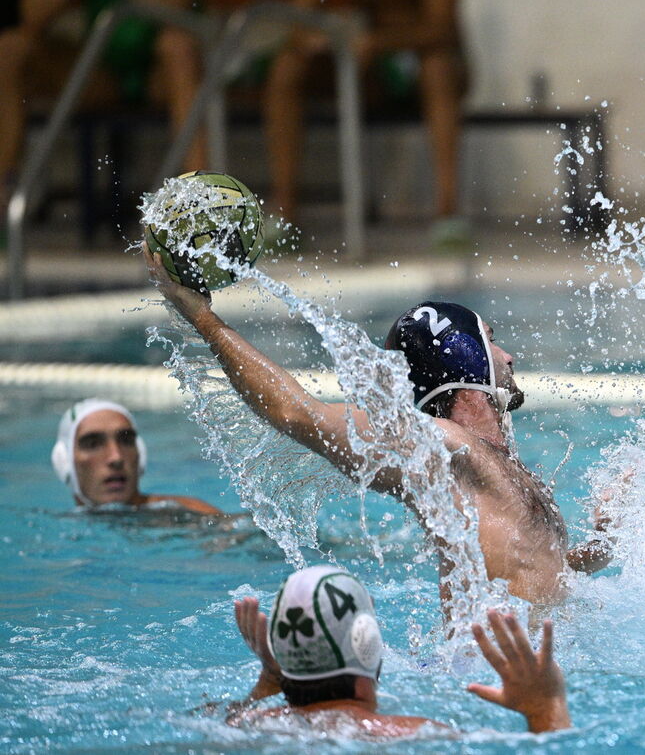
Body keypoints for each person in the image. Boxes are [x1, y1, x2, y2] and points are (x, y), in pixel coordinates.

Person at [145, 247, 572, 604]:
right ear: (465, 354)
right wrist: (201, 317)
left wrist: (607, 540)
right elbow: (297, 412)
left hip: (529, 672)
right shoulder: (442, 447)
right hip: (483, 679)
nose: (508, 355)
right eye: (492, 339)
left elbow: (539, 568)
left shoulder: (503, 465)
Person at [227, 565, 571, 736]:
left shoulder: (247, 723)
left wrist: (269, 684)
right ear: (368, 644)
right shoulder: (415, 736)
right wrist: (544, 710)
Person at [263, 0, 468, 246]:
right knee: (287, 67)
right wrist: (318, 38)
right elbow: (298, 21)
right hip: (357, 63)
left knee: (438, 67)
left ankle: (448, 212)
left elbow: (444, 30)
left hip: (411, 60)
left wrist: (377, 41)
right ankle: (285, 214)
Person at [0, 0, 207, 207]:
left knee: (177, 45)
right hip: (102, 69)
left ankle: (200, 199)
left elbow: (175, 6)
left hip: (159, 72)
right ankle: (4, 193)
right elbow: (27, 16)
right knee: (9, 48)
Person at [51, 397, 222, 514]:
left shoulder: (184, 515)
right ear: (64, 462)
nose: (116, 458)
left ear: (140, 454)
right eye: (93, 444)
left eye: (126, 441)